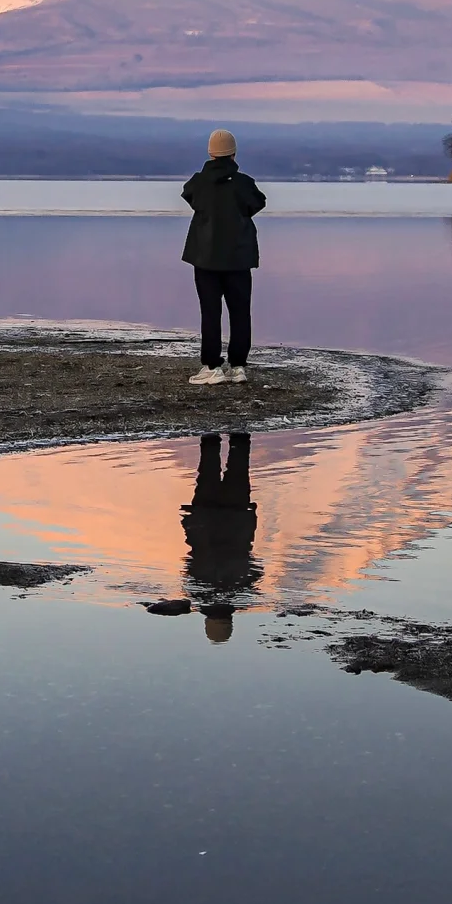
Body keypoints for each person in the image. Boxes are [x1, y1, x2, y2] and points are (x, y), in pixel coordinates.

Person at [181, 129, 266, 385]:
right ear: (233, 153)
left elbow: (190, 197)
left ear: (210, 152)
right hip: (239, 257)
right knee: (240, 312)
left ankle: (212, 366)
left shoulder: (198, 182)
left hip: (205, 257)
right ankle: (238, 366)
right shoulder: (244, 183)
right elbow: (257, 204)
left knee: (210, 311)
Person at [181, 433, 261, 641]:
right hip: (207, 519)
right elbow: (189, 564)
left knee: (238, 469)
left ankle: (238, 437)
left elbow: (256, 568)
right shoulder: (196, 594)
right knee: (208, 471)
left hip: (236, 520)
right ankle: (211, 436)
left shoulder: (243, 595)